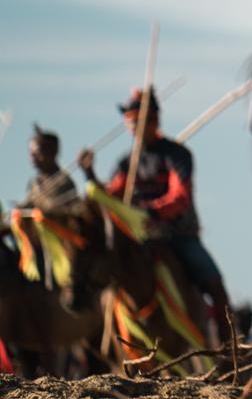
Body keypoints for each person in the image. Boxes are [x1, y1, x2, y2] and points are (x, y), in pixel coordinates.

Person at [76, 88, 232, 341]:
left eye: (136, 120)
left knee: (216, 286)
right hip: (137, 238)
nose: (131, 126)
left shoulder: (176, 155)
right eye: (128, 121)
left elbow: (180, 197)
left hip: (178, 235)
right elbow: (112, 195)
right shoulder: (126, 163)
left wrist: (148, 212)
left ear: (154, 121)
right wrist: (90, 175)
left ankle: (228, 351)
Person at [23, 126, 81, 215]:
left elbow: (74, 213)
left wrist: (47, 207)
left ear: (53, 152)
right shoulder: (34, 183)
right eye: (31, 154)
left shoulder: (64, 183)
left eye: (37, 153)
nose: (33, 159)